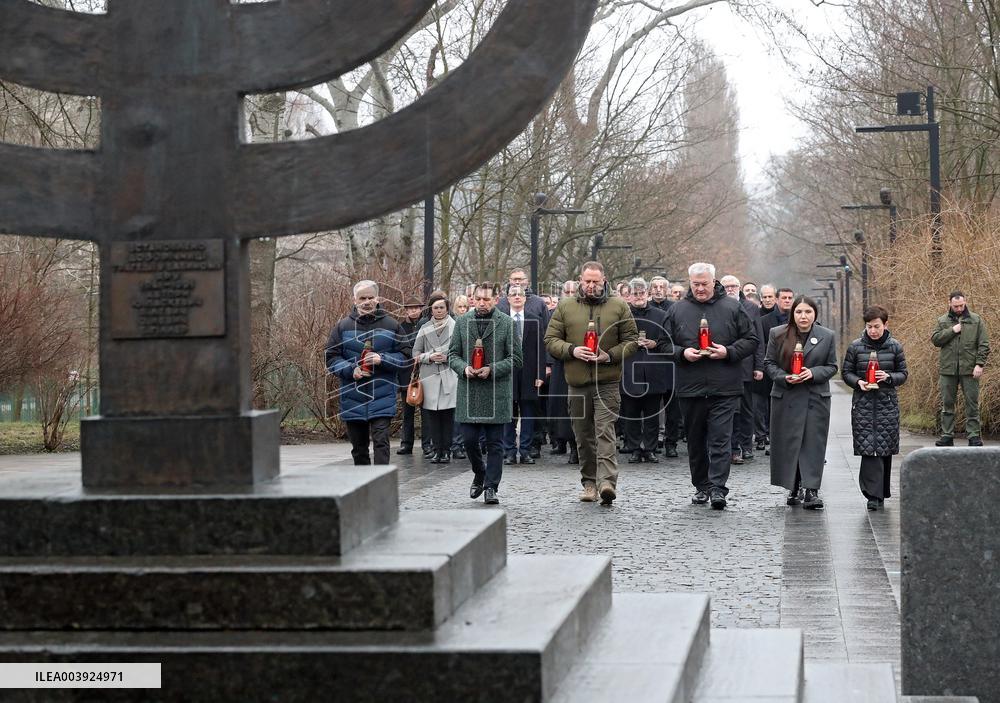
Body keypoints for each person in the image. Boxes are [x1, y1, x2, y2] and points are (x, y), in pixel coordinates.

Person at [663, 262, 757, 510]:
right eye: (696, 284)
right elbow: (663, 344)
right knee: (695, 440)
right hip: (690, 386)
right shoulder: (677, 310)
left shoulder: (732, 307)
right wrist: (683, 353)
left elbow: (751, 340)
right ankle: (701, 486)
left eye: (704, 284)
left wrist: (728, 351)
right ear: (689, 282)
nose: (701, 289)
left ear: (713, 281)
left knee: (720, 439)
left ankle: (718, 489)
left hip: (724, 386)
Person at [545, 261, 638, 505]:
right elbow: (550, 340)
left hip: (607, 382)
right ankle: (589, 482)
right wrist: (572, 350)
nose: (591, 285)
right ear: (580, 280)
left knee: (604, 431)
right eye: (587, 281)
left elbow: (632, 340)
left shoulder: (618, 305)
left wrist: (611, 355)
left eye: (596, 281)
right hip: (576, 382)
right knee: (583, 435)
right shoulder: (566, 306)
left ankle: (607, 482)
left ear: (604, 280)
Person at [448, 282, 522, 504]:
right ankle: (479, 472)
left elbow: (516, 358)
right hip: (469, 391)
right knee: (469, 441)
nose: (482, 303)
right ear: (473, 299)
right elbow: (452, 354)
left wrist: (493, 369)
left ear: (496, 299)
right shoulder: (462, 323)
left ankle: (491, 487)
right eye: (478, 299)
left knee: (494, 443)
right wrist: (464, 368)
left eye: (486, 299)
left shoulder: (507, 323)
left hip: (496, 390)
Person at [763, 295, 838, 509]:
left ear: (815, 314)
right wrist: (784, 377)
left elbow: (832, 366)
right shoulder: (777, 334)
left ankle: (811, 489)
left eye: (807, 312)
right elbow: (769, 363)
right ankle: (793, 486)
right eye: (799, 312)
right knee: (789, 443)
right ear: (792, 314)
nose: (803, 316)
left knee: (813, 443)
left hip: (815, 396)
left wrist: (812, 373)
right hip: (786, 396)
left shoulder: (826, 336)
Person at [326, 280, 407, 465]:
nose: (367, 301)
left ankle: (381, 487)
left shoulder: (392, 325)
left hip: (382, 395)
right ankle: (364, 489)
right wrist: (350, 369)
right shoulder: (342, 327)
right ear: (354, 300)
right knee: (359, 449)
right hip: (352, 397)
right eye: (362, 298)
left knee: (381, 443)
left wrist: (382, 359)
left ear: (378, 298)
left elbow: (406, 356)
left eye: (371, 297)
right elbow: (331, 357)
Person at [842, 305, 908, 510]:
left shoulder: (895, 347)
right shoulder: (855, 347)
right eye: (869, 326)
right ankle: (872, 494)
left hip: (886, 404)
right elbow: (847, 372)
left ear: (885, 325)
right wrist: (858, 382)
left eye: (876, 326)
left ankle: (880, 492)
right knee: (868, 448)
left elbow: (903, 374)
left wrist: (888, 377)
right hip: (863, 404)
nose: (873, 330)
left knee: (884, 448)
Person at [620, 278, 671, 463]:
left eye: (642, 293)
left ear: (647, 294)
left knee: (652, 414)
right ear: (629, 296)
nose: (639, 296)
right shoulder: (622, 316)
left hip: (654, 369)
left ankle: (650, 448)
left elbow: (668, 340)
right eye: (635, 293)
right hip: (629, 369)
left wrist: (655, 343)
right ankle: (634, 448)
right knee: (631, 414)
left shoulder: (660, 315)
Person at [931, 290, 990, 446]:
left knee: (972, 403)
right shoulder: (942, 320)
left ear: (965, 302)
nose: (959, 308)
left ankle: (973, 435)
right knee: (947, 404)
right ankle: (947, 435)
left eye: (961, 305)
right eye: (956, 306)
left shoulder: (976, 320)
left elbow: (984, 344)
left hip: (970, 369)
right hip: (947, 370)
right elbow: (936, 340)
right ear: (949, 303)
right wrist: (953, 330)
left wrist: (980, 364)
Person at [720, 275, 765, 465]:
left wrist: (759, 365)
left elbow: (758, 338)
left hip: (746, 365)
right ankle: (731, 447)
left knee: (747, 409)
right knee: (730, 410)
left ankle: (746, 446)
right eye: (727, 286)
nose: (730, 289)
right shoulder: (718, 306)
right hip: (723, 364)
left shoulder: (751, 307)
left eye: (734, 286)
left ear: (739, 288)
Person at [503, 285, 547, 464]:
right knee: (508, 414)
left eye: (520, 294)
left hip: (530, 373)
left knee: (528, 413)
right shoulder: (502, 320)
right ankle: (509, 451)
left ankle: (526, 450)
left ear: (525, 298)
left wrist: (540, 374)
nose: (517, 297)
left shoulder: (534, 319)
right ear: (508, 298)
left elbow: (540, 349)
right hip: (507, 372)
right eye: (513, 295)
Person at [412, 293, 458, 463]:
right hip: (429, 376)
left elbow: (463, 352)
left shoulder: (456, 326)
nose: (439, 311)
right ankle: (436, 449)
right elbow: (415, 352)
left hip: (448, 376)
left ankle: (446, 450)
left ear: (447, 309)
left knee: (447, 416)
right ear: (431, 309)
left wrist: (447, 358)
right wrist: (429, 357)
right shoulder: (424, 328)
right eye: (435, 308)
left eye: (442, 307)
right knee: (432, 417)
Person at [753, 287, 794, 455]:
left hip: (790, 370)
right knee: (764, 406)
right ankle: (764, 437)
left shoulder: (797, 318)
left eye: (790, 298)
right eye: (784, 297)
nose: (787, 300)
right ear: (778, 299)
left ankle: (782, 440)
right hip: (769, 368)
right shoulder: (764, 321)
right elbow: (759, 345)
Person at [547, 280, 580, 463]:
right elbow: (550, 340)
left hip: (583, 365)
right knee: (562, 409)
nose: (569, 294)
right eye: (566, 291)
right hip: (562, 364)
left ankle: (579, 447)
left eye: (572, 291)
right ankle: (566, 443)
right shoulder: (555, 314)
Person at [396, 296, 430, 456]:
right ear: (406, 310)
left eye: (416, 308)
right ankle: (406, 443)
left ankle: (427, 444)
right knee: (407, 411)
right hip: (407, 374)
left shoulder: (427, 325)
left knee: (426, 412)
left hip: (426, 371)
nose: (413, 311)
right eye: (410, 308)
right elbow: (400, 348)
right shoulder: (400, 327)